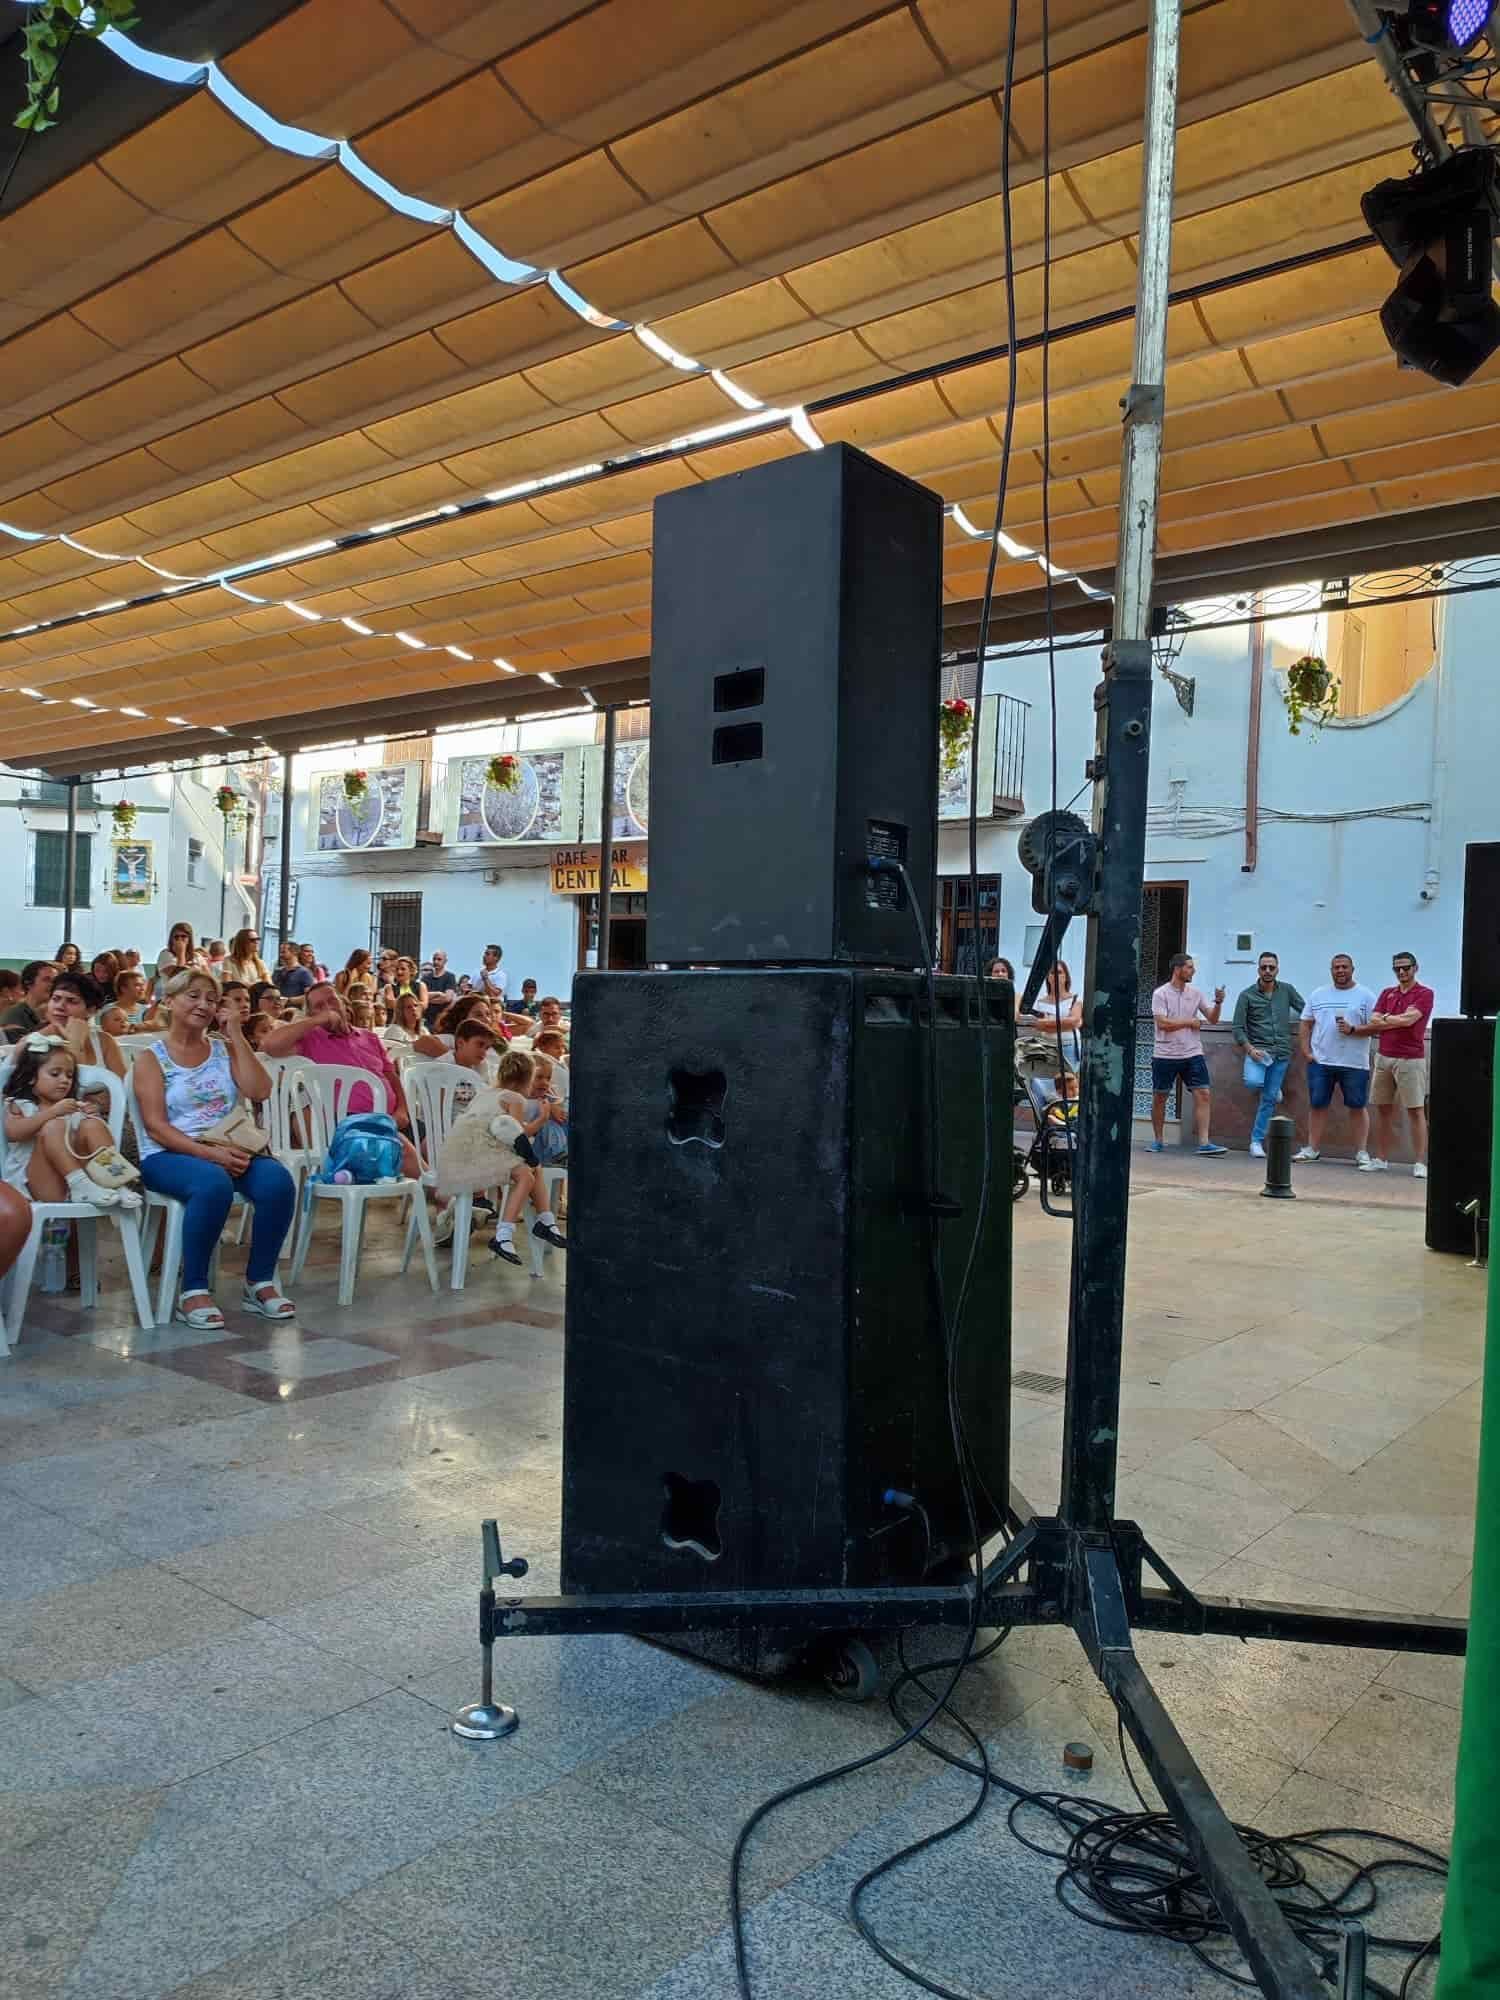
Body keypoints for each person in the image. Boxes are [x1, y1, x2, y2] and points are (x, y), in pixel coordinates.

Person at [133, 969, 297, 1329]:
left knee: (277, 1181)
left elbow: (260, 1090)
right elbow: (156, 1127)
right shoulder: (151, 1058)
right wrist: (210, 1155)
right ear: (169, 1001)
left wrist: (235, 1034)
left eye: (211, 999)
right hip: (168, 1154)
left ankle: (259, 1281)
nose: (203, 1004)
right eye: (193, 996)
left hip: (229, 1145)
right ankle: (193, 1289)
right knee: (212, 1183)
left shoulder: (223, 1049)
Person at [260, 983, 420, 1169]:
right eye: (319, 1006)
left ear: (343, 1003)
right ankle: (433, 1187)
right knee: (404, 1152)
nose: (328, 1008)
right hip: (352, 1123)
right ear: (311, 1014)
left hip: (394, 1117)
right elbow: (269, 1045)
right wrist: (317, 1020)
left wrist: (402, 1110)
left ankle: (432, 1184)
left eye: (332, 1001)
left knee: (436, 1144)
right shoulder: (310, 1039)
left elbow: (391, 1076)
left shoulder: (370, 1038)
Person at [2, 1035, 141, 1211]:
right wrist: (52, 1113)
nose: (64, 1080)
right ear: (31, 1077)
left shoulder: (73, 1106)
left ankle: (115, 1181)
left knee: (92, 1125)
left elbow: (87, 1141)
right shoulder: (21, 1105)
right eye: (55, 1074)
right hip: (42, 1185)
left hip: (87, 1186)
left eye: (69, 1075)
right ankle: (79, 1183)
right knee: (54, 1125)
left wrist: (91, 1115)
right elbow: (13, 1133)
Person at [1356, 950, 1436, 1178]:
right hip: (1384, 1057)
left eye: (1406, 968)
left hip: (1411, 1059)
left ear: (1415, 968)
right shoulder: (1387, 993)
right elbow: (1374, 1020)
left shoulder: (1425, 993)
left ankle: (1420, 1163)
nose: (1401, 972)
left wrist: (1387, 1019)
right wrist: (1394, 1020)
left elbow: (1410, 1020)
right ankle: (1381, 1159)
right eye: (1397, 968)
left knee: (1415, 1110)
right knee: (1383, 1110)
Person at [1295, 953, 1376, 1166]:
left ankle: (1362, 1152)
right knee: (1317, 1105)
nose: (1340, 970)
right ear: (1331, 970)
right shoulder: (1318, 994)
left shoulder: (1366, 996)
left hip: (1354, 1063)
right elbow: (1305, 1023)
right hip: (1322, 1062)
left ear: (1352, 969)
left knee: (1357, 1106)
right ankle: (1312, 1149)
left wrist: (1353, 1029)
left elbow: (1376, 1027)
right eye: (1336, 967)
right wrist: (1306, 1052)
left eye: (1344, 967)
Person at [1149, 952, 1227, 1155]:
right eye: (1189, 967)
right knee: (1160, 1096)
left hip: (1192, 1052)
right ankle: (1158, 1140)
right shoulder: (1160, 994)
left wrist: (1218, 1003)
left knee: (1204, 1094)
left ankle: (1204, 1142)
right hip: (1165, 1054)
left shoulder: (1196, 993)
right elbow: (1162, 1023)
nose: (1194, 971)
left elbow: (1212, 1019)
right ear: (1178, 969)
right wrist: (1189, 1022)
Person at [1231, 951, 1306, 1158]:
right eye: (1264, 967)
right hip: (1258, 1053)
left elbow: (1305, 1010)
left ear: (1277, 969)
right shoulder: (1247, 995)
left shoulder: (1287, 990)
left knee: (1268, 1101)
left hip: (1281, 1052)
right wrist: (1250, 1050)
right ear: (1258, 969)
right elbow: (1238, 1028)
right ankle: (1271, 1088)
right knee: (1252, 1082)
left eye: (1271, 967)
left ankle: (1256, 1141)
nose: (1267, 971)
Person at [42, 972, 125, 1083]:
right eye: (55, 999)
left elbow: (122, 1086)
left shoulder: (104, 1042)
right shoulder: (36, 1041)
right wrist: (75, 1045)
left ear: (91, 1010)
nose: (59, 1006)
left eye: (72, 1001)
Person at [3, 961, 59, 1037]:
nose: (52, 984)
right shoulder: (14, 1014)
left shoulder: (57, 1012)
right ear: (28, 983)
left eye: (55, 981)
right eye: (46, 979)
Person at [155, 922, 203, 998]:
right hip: (173, 998)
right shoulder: (165, 954)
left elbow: (207, 976)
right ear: (172, 939)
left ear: (189, 939)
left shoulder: (197, 956)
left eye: (183, 936)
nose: (180, 939)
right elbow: (178, 978)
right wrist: (181, 953)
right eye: (176, 937)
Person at [424, 948, 459, 1025]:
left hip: (442, 1019)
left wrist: (428, 998)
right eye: (434, 959)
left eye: (439, 959)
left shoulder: (450, 977)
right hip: (427, 1018)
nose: (436, 962)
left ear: (445, 961)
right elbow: (422, 996)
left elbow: (447, 998)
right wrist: (438, 994)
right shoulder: (425, 978)